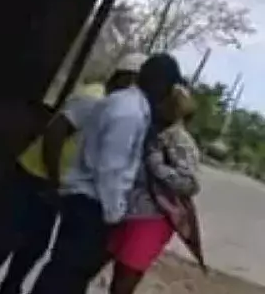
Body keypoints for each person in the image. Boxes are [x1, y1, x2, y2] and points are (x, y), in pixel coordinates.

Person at [0, 53, 146, 294]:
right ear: (127, 78)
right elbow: (55, 134)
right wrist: (54, 181)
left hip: (56, 185)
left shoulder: (114, 105)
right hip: (35, 177)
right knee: (4, 242)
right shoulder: (94, 99)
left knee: (33, 248)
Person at [31, 53, 185, 294]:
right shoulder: (129, 113)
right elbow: (111, 170)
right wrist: (115, 213)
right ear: (160, 84)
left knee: (66, 274)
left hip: (89, 200)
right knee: (65, 275)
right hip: (92, 203)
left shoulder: (128, 105)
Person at [106, 85, 206, 294]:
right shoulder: (152, 129)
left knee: (124, 282)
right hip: (129, 210)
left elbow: (190, 184)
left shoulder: (179, 139)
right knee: (118, 276)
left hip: (153, 217)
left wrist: (157, 166)